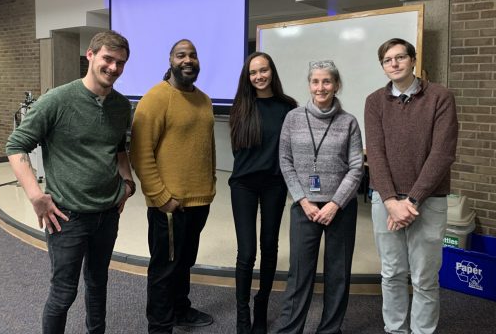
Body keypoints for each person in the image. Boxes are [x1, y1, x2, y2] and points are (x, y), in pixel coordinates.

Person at [6, 30, 135, 334]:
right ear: (90, 55)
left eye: (121, 63)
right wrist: (36, 195)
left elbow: (118, 149)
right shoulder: (57, 100)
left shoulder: (120, 106)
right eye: (107, 59)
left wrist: (128, 184)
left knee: (98, 283)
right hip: (67, 217)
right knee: (63, 293)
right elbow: (16, 145)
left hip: (107, 215)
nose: (113, 68)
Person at [364, 38, 458, 334]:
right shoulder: (375, 101)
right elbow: (375, 154)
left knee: (424, 278)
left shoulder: (440, 97)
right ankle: (394, 330)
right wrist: (391, 201)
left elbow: (442, 153)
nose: (394, 63)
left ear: (412, 60)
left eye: (400, 57)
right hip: (386, 201)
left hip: (428, 202)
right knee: (391, 273)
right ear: (382, 66)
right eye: (387, 60)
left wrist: (412, 200)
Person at [130, 39, 216, 334]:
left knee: (184, 262)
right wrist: (160, 196)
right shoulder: (156, 97)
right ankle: (160, 326)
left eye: (193, 54)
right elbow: (140, 152)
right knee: (164, 269)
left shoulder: (203, 99)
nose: (188, 59)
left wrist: (211, 184)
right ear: (171, 60)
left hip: (199, 200)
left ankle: (180, 310)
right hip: (169, 204)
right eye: (181, 55)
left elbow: (206, 147)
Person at [276, 60, 364, 334]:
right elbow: (285, 160)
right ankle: (290, 329)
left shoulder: (348, 122)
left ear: (336, 85)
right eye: (315, 81)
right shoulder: (293, 118)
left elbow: (356, 167)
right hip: (304, 207)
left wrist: (335, 204)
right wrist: (303, 199)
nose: (321, 87)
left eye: (327, 81)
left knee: (337, 274)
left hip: (341, 208)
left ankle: (329, 330)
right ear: (309, 85)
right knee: (299, 273)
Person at [229, 52, 297, 334]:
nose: (259, 76)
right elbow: (237, 149)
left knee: (269, 247)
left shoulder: (288, 107)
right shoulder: (241, 106)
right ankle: (242, 313)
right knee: (247, 252)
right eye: (253, 72)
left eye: (264, 70)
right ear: (248, 77)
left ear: (272, 72)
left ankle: (261, 306)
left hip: (274, 183)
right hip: (243, 184)